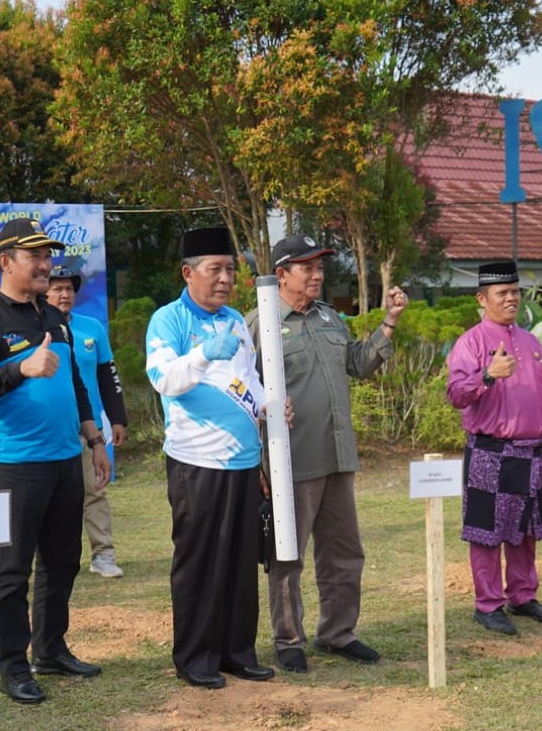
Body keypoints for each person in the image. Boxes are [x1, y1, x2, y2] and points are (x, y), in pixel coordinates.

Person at [0, 219, 110, 705]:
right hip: (16, 465)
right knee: (11, 571)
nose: (47, 264)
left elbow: (76, 384)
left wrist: (93, 436)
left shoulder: (54, 316)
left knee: (63, 562)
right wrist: (21, 368)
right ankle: (13, 666)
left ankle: (50, 648)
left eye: (48, 255)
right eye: (35, 256)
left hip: (67, 459)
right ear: (6, 262)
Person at [244, 235, 404, 672]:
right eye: (307, 267)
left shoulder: (331, 318)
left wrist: (389, 322)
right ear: (281, 274)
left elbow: (359, 363)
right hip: (289, 460)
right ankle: (288, 640)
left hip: (336, 455)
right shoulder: (258, 324)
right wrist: (260, 461)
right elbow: (242, 393)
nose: (317, 275)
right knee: (286, 554)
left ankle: (337, 633)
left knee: (344, 551)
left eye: (320, 267)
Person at [146, 226, 276, 688]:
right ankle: (195, 656)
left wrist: (267, 406)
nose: (225, 279)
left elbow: (248, 379)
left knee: (242, 563)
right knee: (201, 561)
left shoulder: (237, 320)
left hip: (242, 463)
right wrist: (202, 354)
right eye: (215, 269)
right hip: (195, 464)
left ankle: (237, 651)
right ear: (188, 273)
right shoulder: (168, 320)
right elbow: (165, 379)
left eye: (230, 269)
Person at [444, 262, 542, 635]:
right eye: (503, 293)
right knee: (486, 531)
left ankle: (523, 595)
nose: (511, 298)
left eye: (515, 291)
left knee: (525, 529)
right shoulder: (472, 342)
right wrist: (486, 376)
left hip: (533, 450)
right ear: (483, 299)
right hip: (491, 451)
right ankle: (488, 603)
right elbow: (456, 394)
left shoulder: (530, 341)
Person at [46, 263, 129, 579]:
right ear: (45, 291)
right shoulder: (35, 328)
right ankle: (56, 559)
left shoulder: (92, 328)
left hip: (89, 428)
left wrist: (117, 418)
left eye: (69, 288)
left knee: (94, 491)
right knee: (53, 497)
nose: (64, 294)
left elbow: (108, 376)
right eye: (57, 288)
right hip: (51, 428)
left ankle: (103, 555)